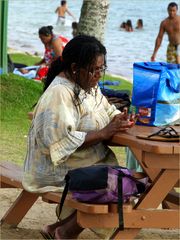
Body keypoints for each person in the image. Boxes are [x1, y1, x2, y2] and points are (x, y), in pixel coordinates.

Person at [22, 35, 137, 239]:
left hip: (81, 163)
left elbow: (105, 110)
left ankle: (55, 229)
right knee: (118, 184)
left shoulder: (88, 87)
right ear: (75, 68)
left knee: (124, 181)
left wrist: (120, 119)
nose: (99, 75)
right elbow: (58, 144)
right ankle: (65, 232)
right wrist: (103, 133)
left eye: (102, 68)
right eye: (95, 69)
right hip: (54, 169)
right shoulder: (60, 93)